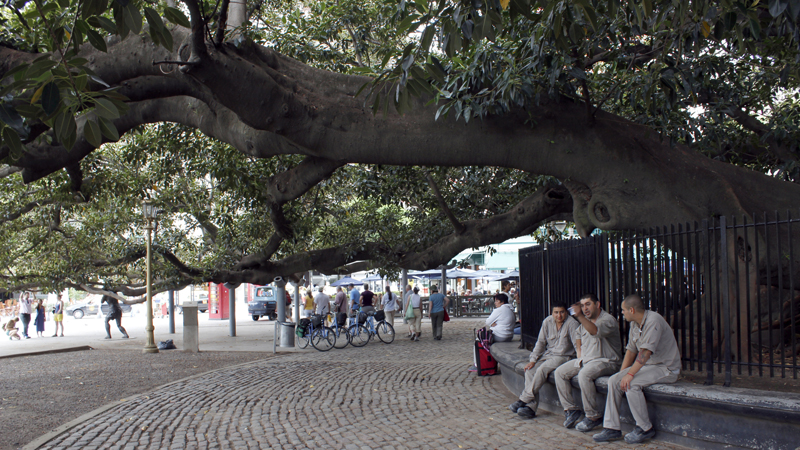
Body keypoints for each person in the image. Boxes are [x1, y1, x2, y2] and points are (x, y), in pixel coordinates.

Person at [592, 294, 681, 444]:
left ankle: (645, 428)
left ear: (631, 310)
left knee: (631, 384)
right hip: (649, 366)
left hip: (666, 368)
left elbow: (645, 353)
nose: (622, 313)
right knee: (614, 380)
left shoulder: (654, 321)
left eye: (623, 310)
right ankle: (611, 428)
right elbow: (631, 350)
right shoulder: (635, 323)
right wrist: (622, 373)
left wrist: (630, 374)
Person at [554, 293, 622, 431]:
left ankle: (593, 416)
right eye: (582, 305)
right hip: (587, 360)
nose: (585, 308)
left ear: (597, 305)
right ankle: (571, 409)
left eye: (588, 304)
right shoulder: (584, 322)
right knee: (560, 372)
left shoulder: (607, 320)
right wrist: (580, 356)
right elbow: (579, 338)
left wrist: (579, 316)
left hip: (607, 361)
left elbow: (595, 331)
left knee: (584, 374)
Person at [509, 303, 579, 419]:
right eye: (556, 312)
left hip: (564, 356)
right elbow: (540, 343)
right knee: (530, 371)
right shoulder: (547, 322)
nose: (559, 315)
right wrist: (533, 360)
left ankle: (523, 400)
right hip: (548, 354)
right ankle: (530, 408)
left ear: (566, 312)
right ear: (552, 313)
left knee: (542, 369)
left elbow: (577, 345)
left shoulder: (572, 323)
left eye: (562, 312)